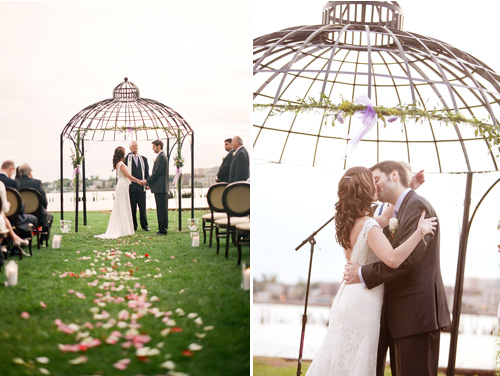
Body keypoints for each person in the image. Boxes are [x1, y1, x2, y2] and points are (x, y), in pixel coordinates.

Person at [305, 166, 437, 376]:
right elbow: (393, 260)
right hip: (363, 302)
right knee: (357, 363)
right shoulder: (369, 226)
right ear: (365, 189)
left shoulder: (350, 223)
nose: (376, 185)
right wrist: (420, 231)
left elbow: (386, 216)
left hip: (346, 297)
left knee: (342, 360)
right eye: (372, 181)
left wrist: (408, 187)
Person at [343, 161, 451, 376]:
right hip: (398, 316)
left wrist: (362, 273)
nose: (374, 187)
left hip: (416, 314)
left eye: (376, 180)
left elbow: (407, 260)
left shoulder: (418, 206)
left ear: (394, 175)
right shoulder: (398, 210)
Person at [95, 147, 145, 239]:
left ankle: (125, 228)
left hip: (123, 185)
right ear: (122, 154)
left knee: (124, 205)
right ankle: (123, 229)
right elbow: (129, 176)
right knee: (122, 205)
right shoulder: (121, 164)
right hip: (122, 185)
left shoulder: (118, 163)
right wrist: (139, 181)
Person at [17, 163, 54, 245]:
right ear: (30, 172)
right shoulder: (37, 183)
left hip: (20, 216)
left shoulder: (15, 183)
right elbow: (44, 201)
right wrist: (43, 209)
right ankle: (41, 241)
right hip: (38, 216)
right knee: (50, 216)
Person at [0, 160, 37, 237]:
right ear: (11, 169)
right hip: (12, 217)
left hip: (3, 216)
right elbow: (18, 204)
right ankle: (22, 239)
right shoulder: (13, 183)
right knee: (33, 219)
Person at [142, 139, 168, 235]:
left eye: (154, 147)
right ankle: (162, 228)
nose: (152, 149)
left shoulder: (162, 157)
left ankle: (163, 230)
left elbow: (156, 173)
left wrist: (147, 181)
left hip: (161, 188)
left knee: (162, 210)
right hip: (159, 187)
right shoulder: (160, 156)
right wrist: (149, 184)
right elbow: (157, 174)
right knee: (161, 209)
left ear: (159, 146)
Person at [124, 141, 150, 232]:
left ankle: (145, 225)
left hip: (141, 187)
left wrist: (147, 184)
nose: (135, 147)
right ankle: (133, 226)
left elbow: (146, 173)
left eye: (136, 146)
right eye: (133, 146)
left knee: (142, 208)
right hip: (131, 188)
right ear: (130, 148)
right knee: (132, 208)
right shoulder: (126, 159)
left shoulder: (144, 159)